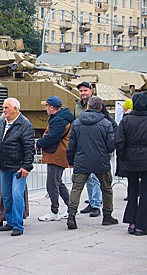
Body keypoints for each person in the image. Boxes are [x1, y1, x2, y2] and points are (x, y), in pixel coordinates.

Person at [66, 96, 118, 230]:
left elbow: (71, 145)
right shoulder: (106, 123)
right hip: (101, 161)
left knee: (76, 188)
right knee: (106, 188)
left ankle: (71, 216)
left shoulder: (77, 123)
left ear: (88, 106)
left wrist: (71, 161)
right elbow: (111, 146)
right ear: (101, 108)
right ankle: (107, 216)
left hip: (82, 161)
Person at [0, 98, 34, 236]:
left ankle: (18, 224)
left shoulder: (25, 125)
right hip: (5, 166)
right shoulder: (2, 123)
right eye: (3, 107)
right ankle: (11, 221)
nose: (4, 110)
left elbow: (29, 148)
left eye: (6, 107)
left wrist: (26, 167)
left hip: (18, 167)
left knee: (17, 195)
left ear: (15, 109)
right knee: (6, 195)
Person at [115, 92, 147, 236]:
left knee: (133, 191)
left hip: (131, 158)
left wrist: (122, 157)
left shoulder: (126, 121)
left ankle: (132, 223)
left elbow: (119, 141)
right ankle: (142, 226)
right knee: (145, 193)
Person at [74, 81, 117, 218]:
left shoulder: (99, 105)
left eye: (85, 90)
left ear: (91, 91)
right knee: (88, 179)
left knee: (96, 179)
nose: (83, 93)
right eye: (81, 91)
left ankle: (96, 204)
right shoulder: (78, 106)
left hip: (97, 147)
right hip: (83, 147)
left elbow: (111, 123)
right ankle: (92, 202)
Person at [36, 96, 74, 221]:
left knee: (52, 184)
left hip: (56, 154)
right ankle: (71, 208)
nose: (45, 108)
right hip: (59, 153)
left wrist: (38, 143)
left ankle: (54, 211)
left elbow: (52, 137)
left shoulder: (58, 120)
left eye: (47, 106)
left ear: (52, 108)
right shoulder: (62, 118)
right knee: (58, 182)